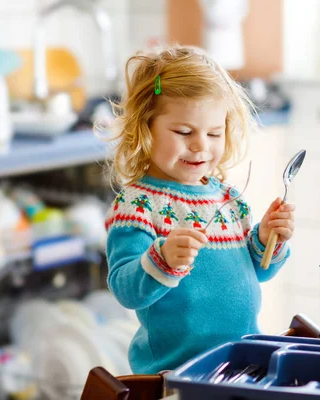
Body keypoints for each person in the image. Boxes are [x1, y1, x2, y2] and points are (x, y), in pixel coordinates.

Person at [104, 45, 296, 374]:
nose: (200, 146)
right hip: (175, 373)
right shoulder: (137, 204)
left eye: (214, 133)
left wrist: (267, 240)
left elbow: (259, 271)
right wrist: (161, 259)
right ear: (145, 127)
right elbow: (126, 290)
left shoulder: (229, 199)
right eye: (183, 132)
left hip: (240, 366)